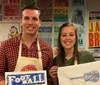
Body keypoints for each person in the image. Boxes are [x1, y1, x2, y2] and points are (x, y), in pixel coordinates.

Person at [0, 4, 53, 85]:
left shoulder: (47, 49)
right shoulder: (6, 46)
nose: (30, 22)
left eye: (34, 19)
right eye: (26, 18)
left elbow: (49, 79)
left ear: (39, 23)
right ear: (21, 21)